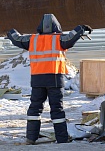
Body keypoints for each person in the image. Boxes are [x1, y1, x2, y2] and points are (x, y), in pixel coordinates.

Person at [7, 14, 92, 144]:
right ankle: (62, 139)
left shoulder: (32, 40)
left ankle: (31, 138)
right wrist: (81, 28)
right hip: (55, 79)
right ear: (56, 26)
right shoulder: (59, 39)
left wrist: (10, 31)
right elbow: (72, 36)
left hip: (37, 80)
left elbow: (16, 39)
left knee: (34, 108)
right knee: (57, 109)